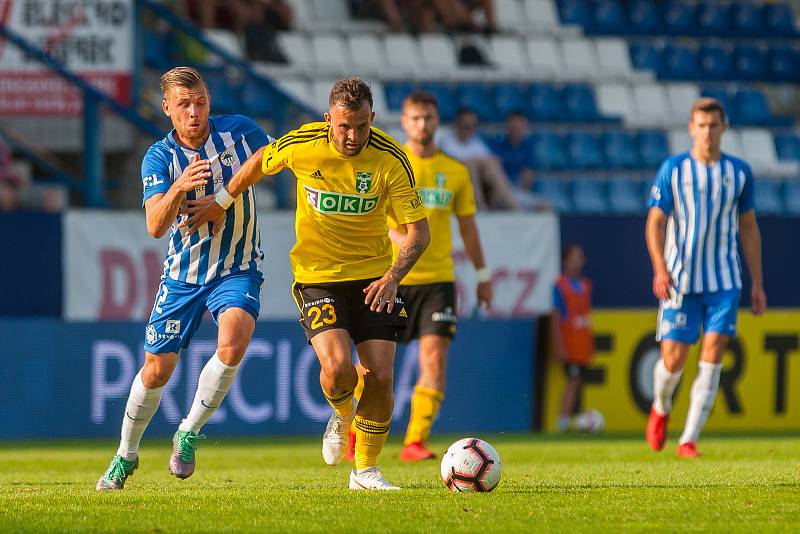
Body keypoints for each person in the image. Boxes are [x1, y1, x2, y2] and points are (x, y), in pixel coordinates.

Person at [183, 78, 430, 490]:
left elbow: (418, 233)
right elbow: (262, 159)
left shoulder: (392, 158)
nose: (353, 137)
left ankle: (365, 471)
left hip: (374, 277)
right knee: (336, 372)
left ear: (373, 119)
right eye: (344, 127)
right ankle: (342, 413)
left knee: (381, 376)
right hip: (318, 277)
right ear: (328, 119)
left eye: (363, 127)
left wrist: (393, 276)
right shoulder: (303, 144)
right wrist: (221, 201)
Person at [95, 67, 271, 490]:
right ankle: (125, 455)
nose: (195, 112)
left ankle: (188, 432)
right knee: (156, 370)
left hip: (237, 264)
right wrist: (179, 188)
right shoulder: (158, 157)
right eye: (185, 105)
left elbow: (273, 160)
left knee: (233, 341)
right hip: (183, 277)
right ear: (167, 109)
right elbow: (155, 226)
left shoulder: (241, 132)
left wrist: (224, 197)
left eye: (201, 102)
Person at [349, 90, 492, 461]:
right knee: (374, 368)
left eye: (428, 117)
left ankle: (414, 440)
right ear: (404, 122)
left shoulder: (456, 171)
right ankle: (354, 435)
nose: (422, 124)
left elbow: (470, 229)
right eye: (415, 118)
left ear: (437, 121)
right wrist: (399, 237)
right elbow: (371, 213)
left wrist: (482, 273)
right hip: (389, 277)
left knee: (434, 360)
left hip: (438, 279)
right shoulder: (389, 164)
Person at [645, 97, 766, 458]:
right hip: (680, 279)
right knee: (673, 359)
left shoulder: (739, 173)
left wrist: (757, 282)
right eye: (701, 125)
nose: (707, 132)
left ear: (723, 128)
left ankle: (689, 439)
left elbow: (748, 227)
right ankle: (661, 406)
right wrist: (659, 268)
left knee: (713, 354)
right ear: (691, 128)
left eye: (713, 125)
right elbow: (654, 221)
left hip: (724, 281)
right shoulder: (674, 169)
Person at [438, 107, 520, 210]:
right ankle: (480, 205)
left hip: (479, 184)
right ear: (457, 124)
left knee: (492, 163)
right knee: (471, 165)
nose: (470, 129)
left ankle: (512, 205)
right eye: (466, 126)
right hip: (454, 186)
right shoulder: (447, 143)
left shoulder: (476, 143)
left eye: (473, 126)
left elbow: (490, 163)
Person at [551, 243, 594, 432]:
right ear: (565, 261)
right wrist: (558, 345)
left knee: (579, 382)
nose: (577, 262)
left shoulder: (586, 285)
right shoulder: (560, 286)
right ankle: (563, 421)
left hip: (582, 343)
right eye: (573, 258)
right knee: (572, 381)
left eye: (579, 258)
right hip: (568, 342)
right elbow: (556, 316)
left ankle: (576, 421)